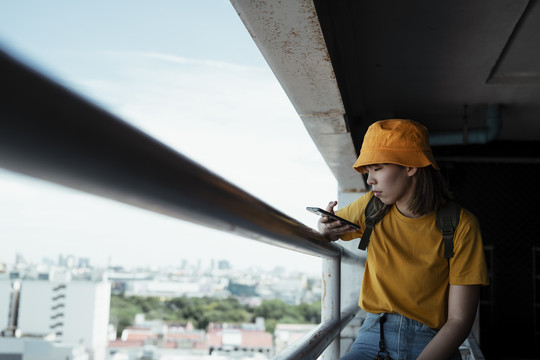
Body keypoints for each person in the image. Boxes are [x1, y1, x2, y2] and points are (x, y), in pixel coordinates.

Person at [318, 119, 489, 360]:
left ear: (410, 167)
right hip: (372, 337)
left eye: (378, 168)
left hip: (433, 343)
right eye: (368, 171)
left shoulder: (462, 225)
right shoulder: (370, 207)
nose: (370, 180)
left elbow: (460, 320)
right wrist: (323, 228)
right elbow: (328, 227)